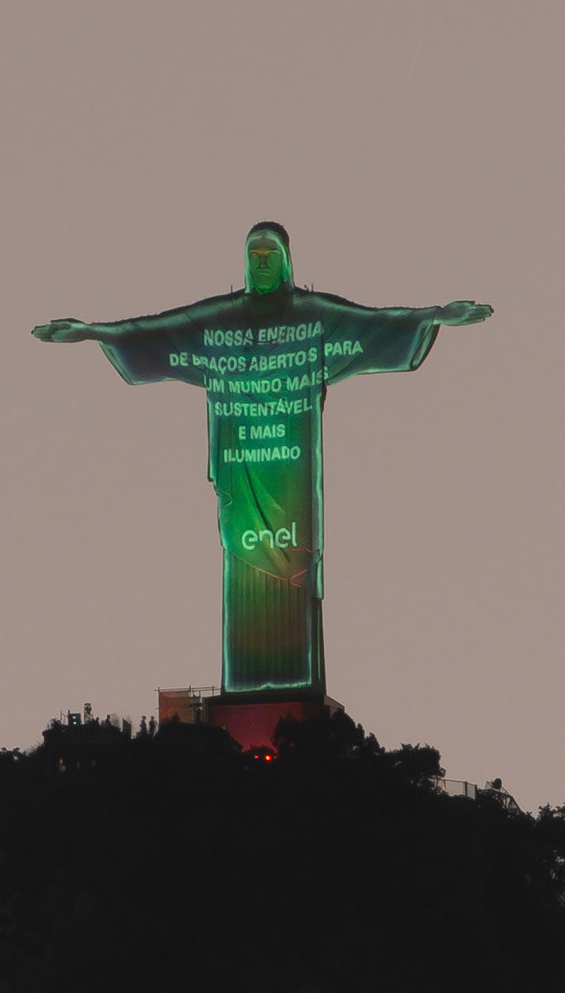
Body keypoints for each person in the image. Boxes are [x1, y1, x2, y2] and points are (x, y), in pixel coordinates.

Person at [34, 222, 492, 694]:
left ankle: (291, 686)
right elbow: (159, 331)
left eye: (270, 254)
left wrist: (435, 315)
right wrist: (92, 331)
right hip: (241, 477)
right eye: (254, 255)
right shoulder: (221, 321)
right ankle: (250, 689)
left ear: (287, 260)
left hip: (291, 481)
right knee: (244, 570)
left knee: (296, 580)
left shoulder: (312, 317)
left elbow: (372, 323)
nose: (262, 263)